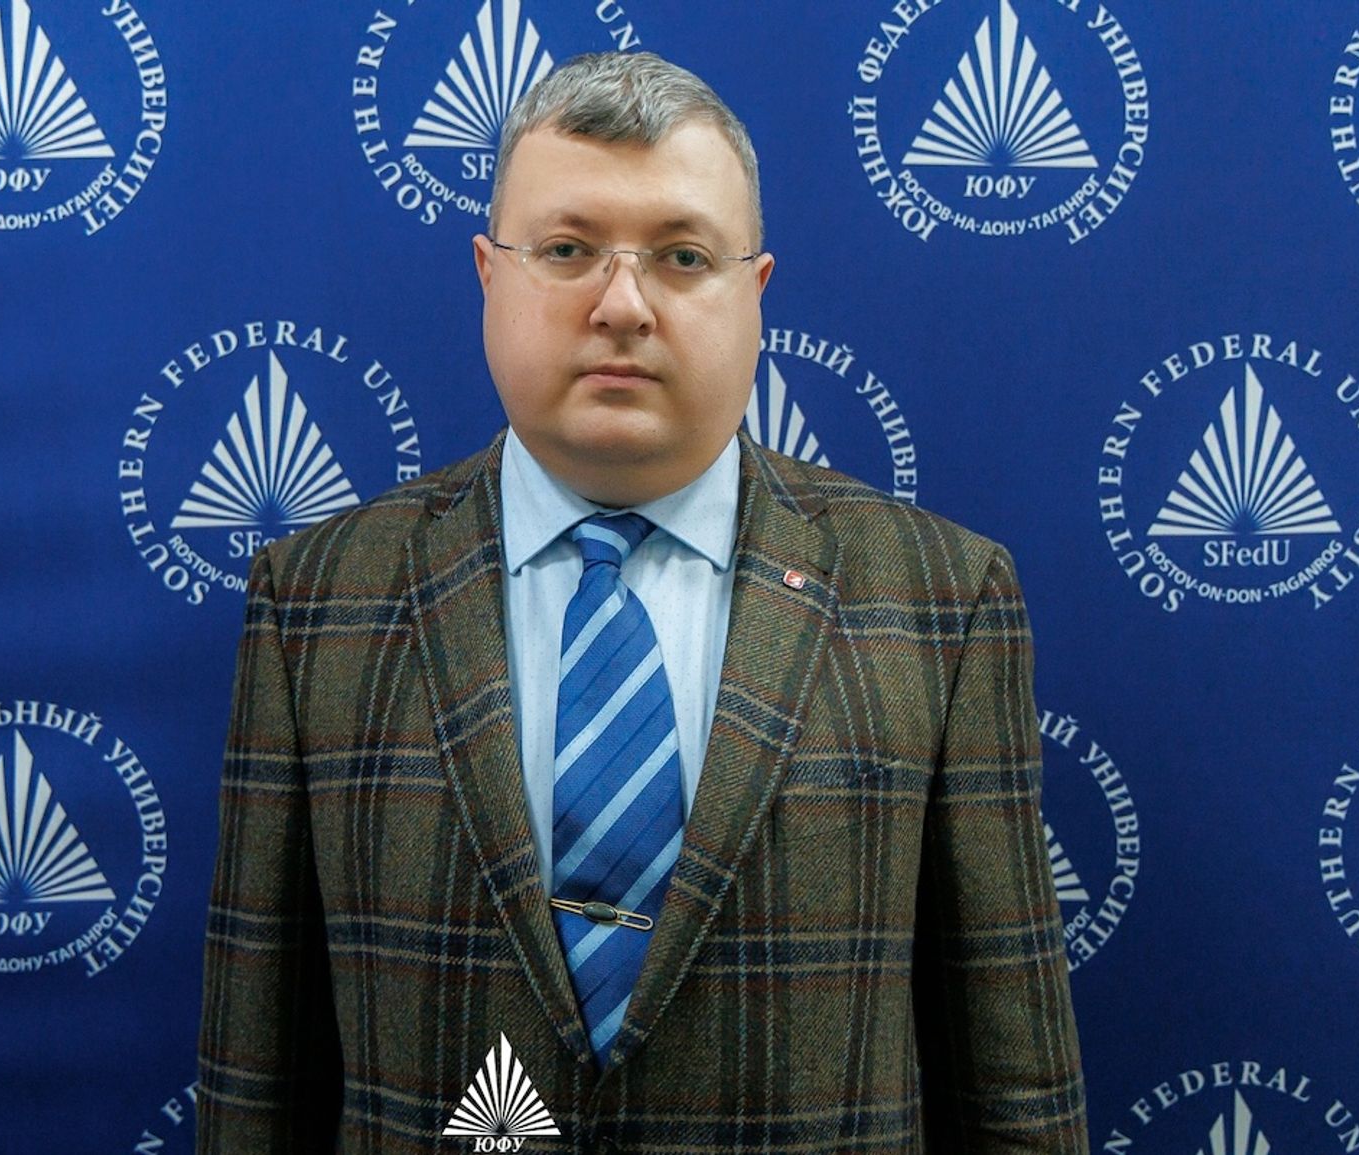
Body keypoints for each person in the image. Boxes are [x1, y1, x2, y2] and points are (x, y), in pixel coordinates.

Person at [198, 51, 1086, 1154]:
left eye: (683, 257)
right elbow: (257, 1080)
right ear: (487, 275)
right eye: (567, 250)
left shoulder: (940, 602)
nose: (621, 305)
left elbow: (1012, 1087)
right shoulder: (317, 604)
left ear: (755, 291)